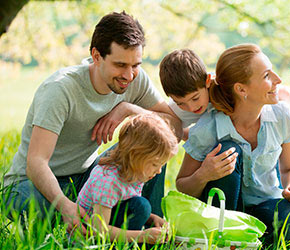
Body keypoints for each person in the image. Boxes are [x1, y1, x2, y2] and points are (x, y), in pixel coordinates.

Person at [4, 11, 181, 233]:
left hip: (88, 178)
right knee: (38, 209)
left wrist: (128, 110)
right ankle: (102, 227)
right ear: (96, 56)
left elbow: (173, 127)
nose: (129, 75)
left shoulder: (135, 79)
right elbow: (36, 162)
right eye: (120, 65)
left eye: (135, 64)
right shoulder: (60, 90)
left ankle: (152, 225)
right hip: (32, 184)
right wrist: (66, 207)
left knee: (152, 148)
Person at [175, 44, 290, 246]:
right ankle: (228, 240)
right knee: (230, 149)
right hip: (223, 214)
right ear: (241, 89)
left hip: (265, 206)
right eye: (266, 76)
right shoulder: (208, 128)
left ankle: (248, 242)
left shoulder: (283, 116)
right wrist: (204, 174)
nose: (278, 80)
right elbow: (182, 186)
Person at [77, 114, 177, 244]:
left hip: (109, 225)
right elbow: (98, 230)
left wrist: (152, 219)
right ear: (135, 155)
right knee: (142, 206)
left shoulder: (136, 173)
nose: (158, 171)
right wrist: (142, 236)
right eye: (154, 164)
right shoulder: (108, 181)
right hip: (90, 238)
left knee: (142, 206)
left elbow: (125, 205)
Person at [159, 48, 290, 139]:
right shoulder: (177, 110)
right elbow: (174, 130)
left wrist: (283, 99)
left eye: (195, 98)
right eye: (181, 103)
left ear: (207, 81)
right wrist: (197, 139)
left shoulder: (223, 86)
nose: (191, 108)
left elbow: (256, 90)